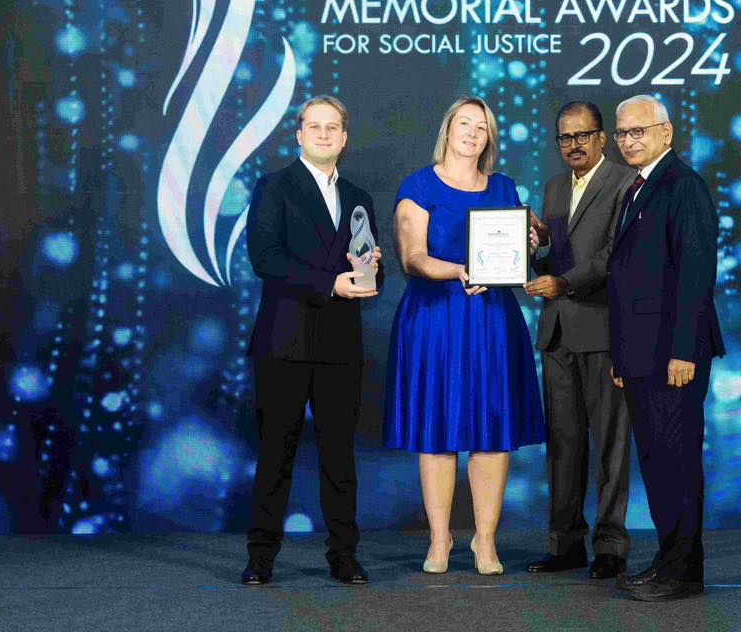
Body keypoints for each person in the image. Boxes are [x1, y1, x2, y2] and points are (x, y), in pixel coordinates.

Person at [383, 96, 547, 575]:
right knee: (437, 432)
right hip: (435, 318)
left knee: (492, 431)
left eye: (482, 126)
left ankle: (485, 540)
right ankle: (440, 539)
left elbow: (519, 253)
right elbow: (412, 257)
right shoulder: (418, 185)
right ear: (448, 130)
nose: (473, 133)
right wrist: (457, 270)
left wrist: (530, 243)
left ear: (489, 137)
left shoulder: (505, 187)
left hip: (492, 320)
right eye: (464, 124)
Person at [241, 95, 382, 587]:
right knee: (275, 455)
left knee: (340, 458)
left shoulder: (359, 197)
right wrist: (331, 284)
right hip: (284, 342)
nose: (323, 133)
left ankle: (344, 556)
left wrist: (372, 271)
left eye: (332, 126)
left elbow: (366, 268)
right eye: (314, 126)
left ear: (344, 137)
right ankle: (261, 557)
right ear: (299, 134)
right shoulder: (273, 186)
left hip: (341, 345)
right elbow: (264, 257)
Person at [606, 94, 725, 602]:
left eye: (639, 131)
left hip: (673, 355)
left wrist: (683, 352)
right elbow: (629, 276)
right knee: (656, 464)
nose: (629, 141)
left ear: (666, 132)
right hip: (640, 353)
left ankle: (683, 573)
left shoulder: (683, 185)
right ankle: (668, 562)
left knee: (676, 464)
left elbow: (696, 273)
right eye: (622, 133)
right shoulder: (638, 186)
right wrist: (621, 353)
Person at [523, 101, 636, 580]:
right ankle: (565, 544)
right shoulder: (553, 188)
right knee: (563, 445)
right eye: (565, 138)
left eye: (582, 135)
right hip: (557, 333)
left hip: (604, 330)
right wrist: (534, 250)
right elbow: (552, 261)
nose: (573, 145)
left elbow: (616, 254)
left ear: (602, 138)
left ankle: (610, 547)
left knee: (611, 444)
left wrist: (564, 282)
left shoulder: (626, 182)